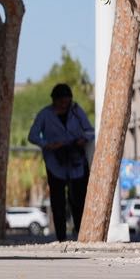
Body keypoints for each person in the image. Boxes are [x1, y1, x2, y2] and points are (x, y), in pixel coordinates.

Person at [28, 83, 95, 241]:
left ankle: (81, 235)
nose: (64, 105)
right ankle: (61, 237)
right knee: (58, 202)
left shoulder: (77, 111)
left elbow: (90, 131)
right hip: (55, 163)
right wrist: (48, 144)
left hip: (77, 162)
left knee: (79, 200)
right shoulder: (45, 114)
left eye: (67, 101)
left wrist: (82, 139)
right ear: (54, 101)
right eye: (61, 102)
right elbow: (32, 135)